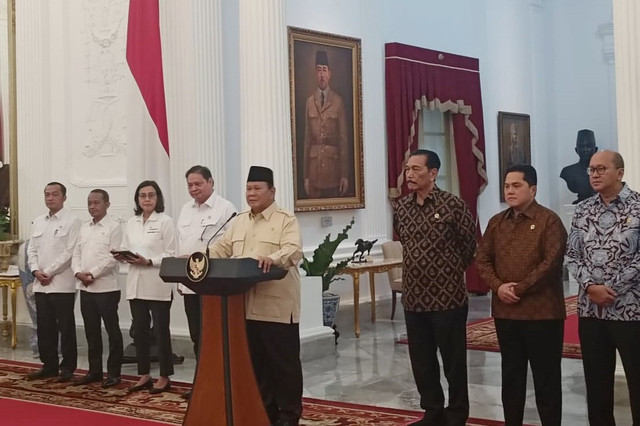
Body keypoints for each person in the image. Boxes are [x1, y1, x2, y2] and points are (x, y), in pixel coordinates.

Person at [208, 166, 303, 426]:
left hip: (277, 307)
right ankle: (266, 413)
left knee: (283, 365)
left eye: (257, 188)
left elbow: (293, 251)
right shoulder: (238, 220)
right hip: (244, 306)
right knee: (257, 365)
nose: (251, 194)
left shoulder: (285, 219)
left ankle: (289, 415)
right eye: (248, 189)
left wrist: (271, 259)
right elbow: (220, 248)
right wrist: (199, 259)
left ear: (272, 191)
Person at [475, 164, 567, 426]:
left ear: (533, 189)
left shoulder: (549, 221)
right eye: (506, 186)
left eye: (516, 186)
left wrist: (519, 288)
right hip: (507, 312)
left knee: (546, 379)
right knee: (511, 376)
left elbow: (551, 263)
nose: (510, 191)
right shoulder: (496, 222)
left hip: (542, 314)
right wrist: (498, 286)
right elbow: (482, 260)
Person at [391, 150, 477, 426]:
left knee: (453, 361)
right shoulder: (402, 207)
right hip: (414, 298)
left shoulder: (453, 205)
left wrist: (447, 271)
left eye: (416, 169)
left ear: (433, 173)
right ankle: (432, 410)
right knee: (422, 360)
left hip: (447, 298)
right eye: (407, 169)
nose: (410, 175)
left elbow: (469, 246)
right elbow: (404, 241)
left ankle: (457, 413)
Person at [566, 150, 640, 425]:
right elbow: (572, 255)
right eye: (592, 170)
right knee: (597, 384)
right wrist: (590, 287)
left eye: (601, 169)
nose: (594, 174)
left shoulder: (637, 207)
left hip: (630, 310)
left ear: (620, 173)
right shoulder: (584, 209)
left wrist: (611, 288)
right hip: (591, 311)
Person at [176, 165, 236, 399]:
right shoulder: (185, 210)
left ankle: (221, 384)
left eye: (198, 184)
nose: (193, 189)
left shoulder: (226, 209)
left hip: (213, 284)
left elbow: (231, 248)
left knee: (214, 337)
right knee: (197, 337)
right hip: (190, 284)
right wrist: (180, 283)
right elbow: (181, 247)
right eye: (190, 185)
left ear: (211, 182)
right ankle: (202, 384)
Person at [115, 180, 175, 394]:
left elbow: (171, 254)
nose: (147, 199)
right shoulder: (131, 223)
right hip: (135, 283)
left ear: (158, 198)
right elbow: (125, 247)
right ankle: (144, 374)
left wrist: (148, 261)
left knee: (160, 332)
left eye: (151, 195)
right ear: (137, 200)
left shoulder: (165, 222)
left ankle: (165, 375)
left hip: (157, 283)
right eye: (142, 196)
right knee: (139, 332)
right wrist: (122, 255)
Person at [26, 182, 81, 382]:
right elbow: (32, 249)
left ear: (64, 197)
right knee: (44, 326)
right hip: (41, 283)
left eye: (55, 194)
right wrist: (35, 270)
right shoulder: (38, 221)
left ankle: (67, 368)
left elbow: (70, 252)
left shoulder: (72, 221)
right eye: (47, 194)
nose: (50, 198)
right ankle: (48, 365)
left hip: (62, 283)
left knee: (65, 327)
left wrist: (48, 272)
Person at [72, 189, 123, 388]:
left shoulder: (114, 227)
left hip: (106, 288)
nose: (92, 207)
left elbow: (113, 257)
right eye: (89, 203)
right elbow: (76, 253)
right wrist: (78, 272)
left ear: (107, 204)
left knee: (112, 331)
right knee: (91, 331)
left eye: (96, 203)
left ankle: (114, 373)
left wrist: (92, 273)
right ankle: (94, 371)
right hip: (85, 288)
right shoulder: (84, 227)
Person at [303, 50, 349, 199]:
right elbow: (307, 140)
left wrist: (344, 175)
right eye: (318, 70)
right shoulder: (310, 102)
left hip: (333, 170)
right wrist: (306, 176)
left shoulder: (338, 102)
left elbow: (343, 140)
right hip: (314, 171)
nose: (322, 75)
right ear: (315, 74)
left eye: (324, 70)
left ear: (330, 74)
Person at [560, 129, 598, 204]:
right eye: (582, 147)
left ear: (595, 149)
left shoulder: (601, 172)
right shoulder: (567, 172)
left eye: (589, 146)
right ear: (576, 150)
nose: (585, 150)